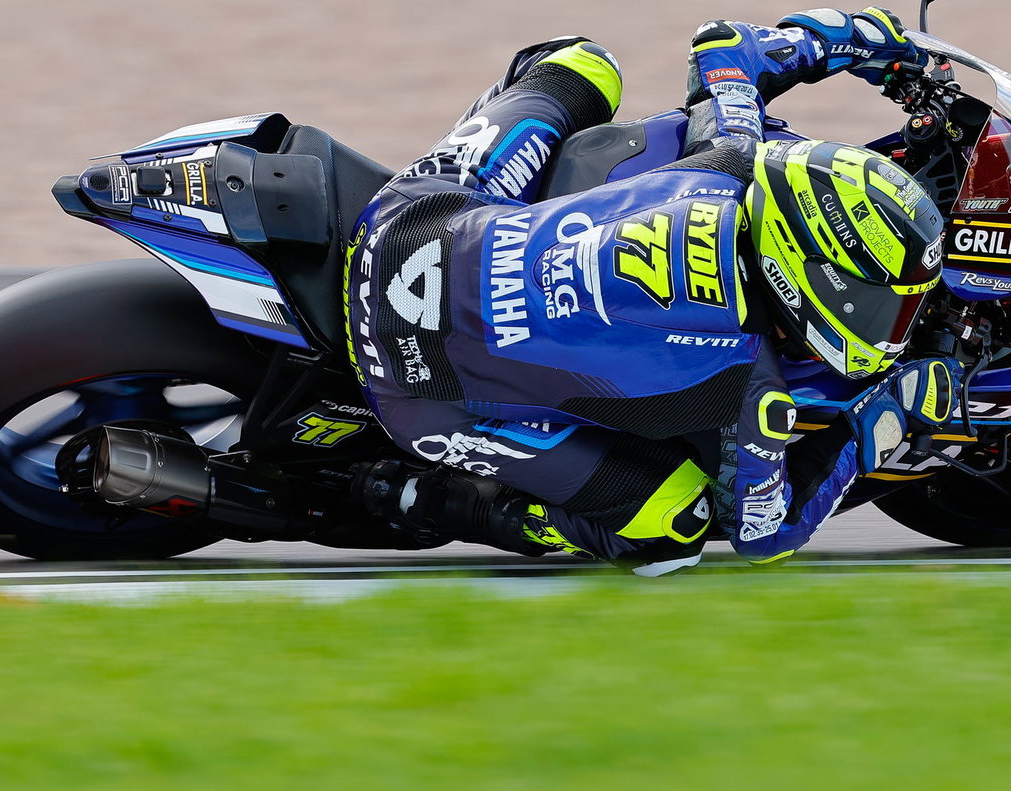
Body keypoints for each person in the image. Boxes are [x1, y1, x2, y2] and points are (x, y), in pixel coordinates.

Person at [345, 7, 958, 575]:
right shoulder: (752, 387)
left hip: (408, 225)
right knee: (672, 530)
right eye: (879, 299)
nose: (892, 319)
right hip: (418, 391)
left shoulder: (729, 158)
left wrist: (847, 37)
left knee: (579, 64)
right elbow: (765, 535)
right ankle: (432, 499)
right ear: (800, 274)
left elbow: (722, 46)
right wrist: (884, 418)